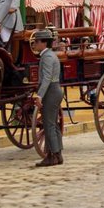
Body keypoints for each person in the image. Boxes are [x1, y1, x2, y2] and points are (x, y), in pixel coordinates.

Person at [32, 29, 62, 167]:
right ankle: (58, 154)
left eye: (36, 42)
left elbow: (47, 78)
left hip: (51, 91)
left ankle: (52, 155)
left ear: (43, 43)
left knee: (48, 124)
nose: (35, 44)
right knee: (53, 124)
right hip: (53, 90)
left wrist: (39, 95)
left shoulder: (47, 57)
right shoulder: (49, 55)